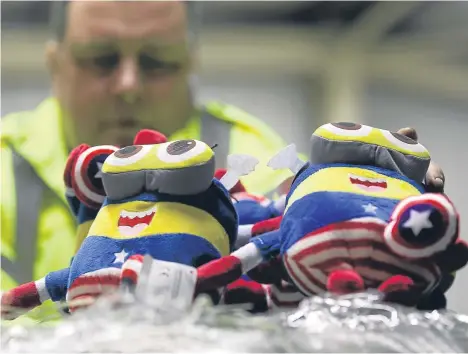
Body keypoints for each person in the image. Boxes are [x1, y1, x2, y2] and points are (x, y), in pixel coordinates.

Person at [0, 0, 445, 324]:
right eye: (101, 59)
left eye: (158, 60)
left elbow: (310, 300)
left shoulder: (256, 159)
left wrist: (389, 252)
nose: (128, 84)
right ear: (55, 64)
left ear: (191, 62)